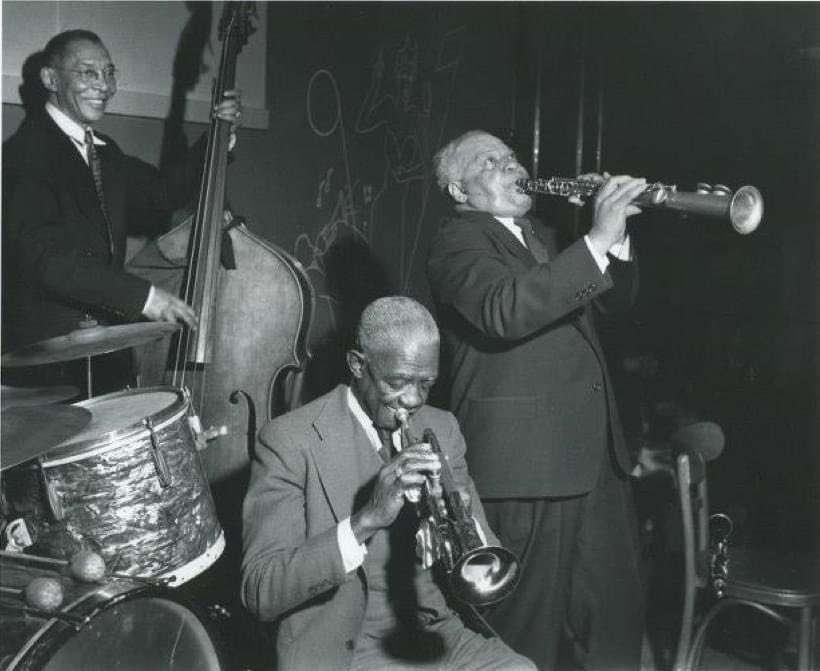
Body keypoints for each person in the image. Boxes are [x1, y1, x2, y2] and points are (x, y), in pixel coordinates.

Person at [426, 130, 647, 670]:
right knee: (525, 637)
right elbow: (504, 310)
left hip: (593, 460)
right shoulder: (457, 241)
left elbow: (617, 306)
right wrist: (595, 239)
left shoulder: (544, 235)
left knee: (613, 625)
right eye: (490, 162)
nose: (511, 166)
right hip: (525, 465)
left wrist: (614, 237)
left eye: (511, 157)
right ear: (459, 190)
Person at [241, 296, 535, 671]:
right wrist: (366, 519)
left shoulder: (443, 427)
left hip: (439, 635)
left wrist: (461, 520)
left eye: (426, 384)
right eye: (397, 383)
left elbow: (483, 574)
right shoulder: (289, 440)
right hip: (348, 650)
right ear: (358, 365)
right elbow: (260, 591)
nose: (413, 400)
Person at [2, 29, 241, 389]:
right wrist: (146, 297)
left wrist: (218, 136)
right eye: (88, 73)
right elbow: (47, 260)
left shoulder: (104, 151)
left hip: (100, 356)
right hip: (46, 369)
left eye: (109, 73)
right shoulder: (24, 154)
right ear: (50, 79)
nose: (104, 86)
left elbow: (162, 193)